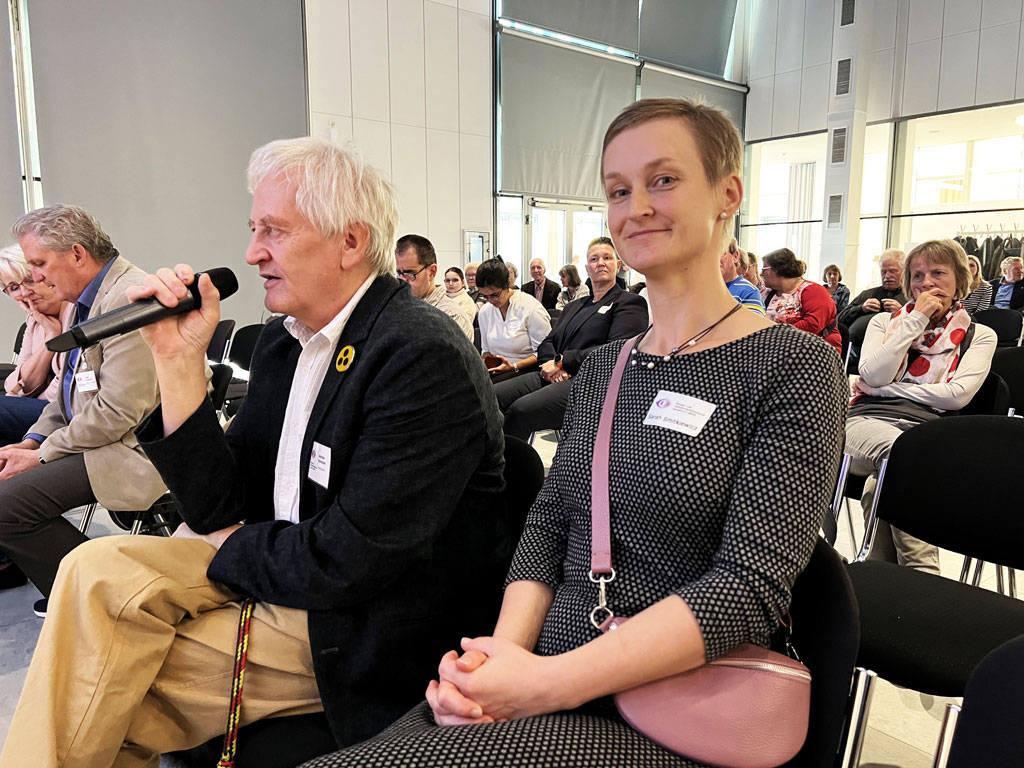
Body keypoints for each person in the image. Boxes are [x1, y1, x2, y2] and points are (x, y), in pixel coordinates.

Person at [300, 98, 847, 768]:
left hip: (671, 709)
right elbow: (550, 525)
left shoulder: (792, 365)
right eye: (619, 190)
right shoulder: (610, 367)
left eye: (663, 180)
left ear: (728, 193)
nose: (636, 206)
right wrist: (499, 660)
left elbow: (746, 589)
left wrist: (542, 686)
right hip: (549, 672)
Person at [0, 138, 511, 767]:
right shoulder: (284, 343)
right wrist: (177, 360)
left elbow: (351, 562)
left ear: (350, 242)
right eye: (252, 230)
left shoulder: (417, 355)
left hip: (357, 616)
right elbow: (220, 500)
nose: (251, 253)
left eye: (273, 231)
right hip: (279, 563)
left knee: (105, 680)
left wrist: (227, 543)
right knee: (88, 570)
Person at [0, 205, 164, 617]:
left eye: (39, 264)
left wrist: (40, 455)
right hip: (101, 440)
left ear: (76, 254)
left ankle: (107, 604)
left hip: (136, 449)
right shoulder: (84, 301)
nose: (34, 278)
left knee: (5, 507)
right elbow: (67, 395)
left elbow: (118, 411)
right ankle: (93, 597)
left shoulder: (130, 298)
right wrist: (30, 440)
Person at [845, 239, 996, 574]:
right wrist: (915, 320)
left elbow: (956, 396)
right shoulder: (884, 324)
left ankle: (880, 580)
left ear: (959, 280)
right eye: (917, 275)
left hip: (929, 431)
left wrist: (885, 390)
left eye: (938, 273)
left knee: (879, 485)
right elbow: (873, 372)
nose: (926, 282)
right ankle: (924, 575)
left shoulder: (979, 335)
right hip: (865, 422)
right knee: (905, 455)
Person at [494, 237, 648, 440]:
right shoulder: (575, 305)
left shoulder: (629, 303)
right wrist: (551, 364)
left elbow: (616, 351)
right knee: (491, 396)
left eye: (607, 258)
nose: (600, 263)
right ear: (587, 268)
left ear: (617, 265)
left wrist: (562, 361)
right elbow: (548, 341)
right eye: (594, 259)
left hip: (590, 382)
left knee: (521, 410)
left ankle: (510, 470)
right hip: (552, 374)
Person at [0, 244, 75, 444]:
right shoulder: (34, 321)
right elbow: (15, 383)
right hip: (42, 410)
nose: (25, 292)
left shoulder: (76, 312)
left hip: (66, 413)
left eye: (29, 280)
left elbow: (66, 388)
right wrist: (51, 337)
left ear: (46, 276)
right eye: (14, 288)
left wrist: (23, 397)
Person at [476, 258, 551, 384]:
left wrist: (514, 366)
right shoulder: (485, 312)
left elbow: (545, 354)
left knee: (489, 394)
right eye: (485, 296)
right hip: (499, 370)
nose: (490, 300)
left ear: (507, 284)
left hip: (528, 371)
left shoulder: (530, 308)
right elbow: (486, 351)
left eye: (495, 295)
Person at [762, 248, 841, 353]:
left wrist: (773, 336)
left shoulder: (814, 291)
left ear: (778, 270)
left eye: (764, 269)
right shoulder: (767, 293)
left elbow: (812, 324)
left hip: (812, 353)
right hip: (776, 351)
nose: (761, 273)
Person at [395, 234, 474, 339]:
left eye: (410, 274)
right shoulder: (400, 308)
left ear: (432, 272)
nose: (403, 280)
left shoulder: (452, 316)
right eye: (399, 273)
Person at [837, 249, 907, 328]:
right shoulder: (867, 294)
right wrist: (861, 309)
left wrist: (901, 312)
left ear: (904, 271)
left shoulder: (912, 298)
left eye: (892, 271)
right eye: (883, 272)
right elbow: (839, 319)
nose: (887, 276)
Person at [720, 238, 765, 315]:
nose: (716, 258)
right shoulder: (706, 289)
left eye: (722, 253)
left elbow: (753, 325)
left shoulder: (749, 292)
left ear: (735, 257)